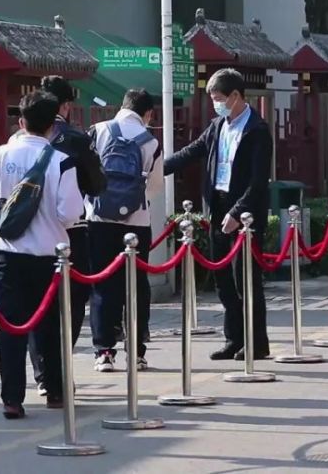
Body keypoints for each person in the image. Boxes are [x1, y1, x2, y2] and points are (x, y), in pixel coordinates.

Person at [0, 90, 83, 419]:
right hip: (49, 255)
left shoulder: (0, 155)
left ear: (20, 121)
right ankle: (55, 391)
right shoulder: (61, 160)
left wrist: (0, 232)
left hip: (9, 255)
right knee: (51, 326)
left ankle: (12, 399)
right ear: (53, 124)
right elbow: (70, 213)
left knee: (11, 327)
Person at [164, 68, 272, 361]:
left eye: (219, 98)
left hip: (245, 214)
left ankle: (256, 342)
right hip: (218, 206)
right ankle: (233, 338)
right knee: (222, 278)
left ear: (236, 96)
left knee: (246, 279)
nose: (216, 104)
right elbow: (191, 152)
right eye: (213, 99)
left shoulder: (257, 130)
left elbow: (258, 181)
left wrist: (238, 212)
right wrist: (156, 169)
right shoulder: (217, 126)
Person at [26, 76, 106, 396]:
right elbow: (97, 184)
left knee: (36, 303)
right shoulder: (76, 139)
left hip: (28, 233)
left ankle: (43, 372)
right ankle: (59, 368)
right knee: (70, 303)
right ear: (66, 106)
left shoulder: (17, 141)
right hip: (70, 231)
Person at [86, 89, 162, 372]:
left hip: (99, 221)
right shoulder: (150, 141)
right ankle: (137, 352)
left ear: (123, 106)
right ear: (148, 113)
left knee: (102, 286)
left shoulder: (97, 131)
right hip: (137, 223)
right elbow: (155, 186)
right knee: (137, 286)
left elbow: (85, 175)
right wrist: (131, 202)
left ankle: (104, 351)